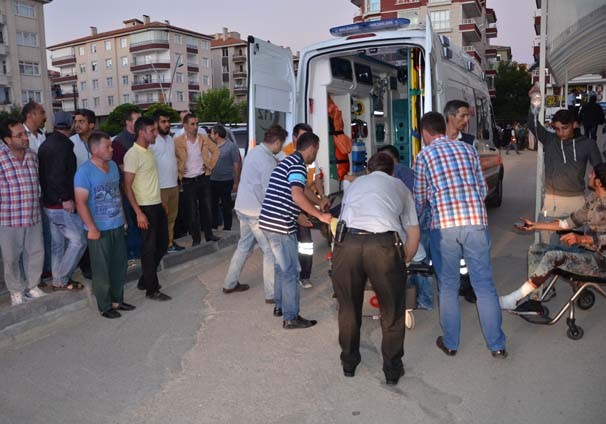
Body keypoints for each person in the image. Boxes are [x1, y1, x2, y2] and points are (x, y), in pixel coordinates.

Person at [414, 112, 507, 358]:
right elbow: (482, 189)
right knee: (484, 285)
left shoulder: (423, 156)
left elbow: (420, 198)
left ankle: (451, 343)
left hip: (444, 227)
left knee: (448, 286)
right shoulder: (467, 150)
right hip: (476, 222)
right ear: (443, 128)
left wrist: (418, 221)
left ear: (425, 133)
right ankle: (497, 345)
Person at [332, 152, 419, 385]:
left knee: (348, 307)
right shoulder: (400, 186)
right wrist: (405, 260)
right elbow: (413, 231)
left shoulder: (356, 184)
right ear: (392, 171)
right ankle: (392, 370)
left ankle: (349, 364)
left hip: (347, 243)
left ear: (368, 170)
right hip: (383, 246)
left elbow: (342, 218)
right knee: (392, 311)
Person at [500, 164, 606, 310]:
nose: (589, 176)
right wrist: (534, 225)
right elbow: (568, 223)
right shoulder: (593, 199)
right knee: (536, 249)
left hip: (601, 261)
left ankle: (515, 299)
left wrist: (582, 239)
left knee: (553, 256)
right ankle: (534, 302)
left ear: (599, 182)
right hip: (586, 252)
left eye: (592, 174)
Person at [259, 131, 332, 329]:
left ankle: (280, 307)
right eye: (317, 149)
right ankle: (291, 317)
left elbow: (302, 189)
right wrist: (320, 216)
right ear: (312, 147)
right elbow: (297, 196)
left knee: (280, 267)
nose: (316, 153)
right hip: (280, 224)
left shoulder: (289, 161)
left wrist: (318, 203)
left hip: (268, 222)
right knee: (291, 271)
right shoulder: (298, 165)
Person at [222, 125, 288, 300]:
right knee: (270, 251)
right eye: (281, 144)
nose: (281, 148)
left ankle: (229, 283)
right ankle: (271, 294)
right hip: (256, 213)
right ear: (277, 142)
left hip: (242, 207)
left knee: (243, 247)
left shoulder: (254, 152)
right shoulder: (267, 161)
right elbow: (267, 192)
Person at [528, 85, 602, 238]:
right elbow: (532, 124)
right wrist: (535, 99)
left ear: (575, 125)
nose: (560, 133)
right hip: (551, 201)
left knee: (575, 245)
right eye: (557, 128)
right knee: (548, 245)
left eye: (565, 128)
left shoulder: (588, 144)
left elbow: (600, 171)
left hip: (578, 202)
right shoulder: (550, 139)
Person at [74, 132, 135, 318]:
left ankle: (117, 300)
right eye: (107, 146)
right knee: (101, 269)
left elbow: (117, 194)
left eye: (111, 145)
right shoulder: (84, 172)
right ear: (94, 150)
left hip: (117, 224)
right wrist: (91, 227)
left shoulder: (114, 166)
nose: (111, 149)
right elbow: (80, 203)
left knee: (119, 265)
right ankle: (105, 306)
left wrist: (124, 219)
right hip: (98, 229)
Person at [378, 144, 433, 310]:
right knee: (417, 258)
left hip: (417, 215)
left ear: (391, 159)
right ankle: (416, 298)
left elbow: (410, 199)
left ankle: (422, 299)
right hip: (417, 215)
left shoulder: (397, 171)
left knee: (419, 258)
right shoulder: (403, 171)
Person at [123, 117, 171, 301]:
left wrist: (160, 200)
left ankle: (145, 279)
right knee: (149, 249)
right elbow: (127, 186)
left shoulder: (148, 151)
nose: (155, 134)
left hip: (156, 204)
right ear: (141, 132)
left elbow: (150, 179)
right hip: (144, 207)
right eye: (152, 131)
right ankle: (152, 289)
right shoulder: (132, 154)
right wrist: (138, 213)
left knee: (163, 244)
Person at [39, 111, 87, 291]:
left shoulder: (46, 143)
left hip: (49, 202)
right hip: (61, 203)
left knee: (58, 244)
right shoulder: (63, 145)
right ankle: (61, 278)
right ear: (70, 124)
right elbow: (58, 175)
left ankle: (57, 279)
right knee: (78, 241)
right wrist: (66, 198)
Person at [0, 118, 45, 305]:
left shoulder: (32, 156)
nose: (25, 137)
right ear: (7, 140)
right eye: (19, 135)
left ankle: (32, 286)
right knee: (10, 258)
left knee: (35, 253)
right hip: (8, 218)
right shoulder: (1, 158)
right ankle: (16, 291)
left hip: (33, 215)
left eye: (25, 133)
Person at [289, 123, 331, 289]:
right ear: (295, 138)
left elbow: (314, 181)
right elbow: (296, 192)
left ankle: (304, 275)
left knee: (305, 243)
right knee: (287, 244)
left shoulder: (310, 157)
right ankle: (289, 279)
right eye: (302, 136)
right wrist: (317, 213)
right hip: (291, 205)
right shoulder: (287, 156)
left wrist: (321, 199)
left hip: (304, 202)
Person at [174, 114, 220, 245]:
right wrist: (179, 170)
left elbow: (216, 151)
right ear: (185, 126)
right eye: (192, 124)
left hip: (202, 177)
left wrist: (210, 165)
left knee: (206, 208)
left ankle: (209, 235)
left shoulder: (203, 138)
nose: (195, 127)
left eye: (196, 124)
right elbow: (173, 158)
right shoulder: (177, 141)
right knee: (192, 211)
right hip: (188, 180)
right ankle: (196, 239)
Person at [150, 109, 183, 253]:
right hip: (160, 187)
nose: (167, 124)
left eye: (168, 121)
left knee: (171, 218)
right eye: (163, 121)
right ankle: (161, 246)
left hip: (173, 185)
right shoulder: (151, 141)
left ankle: (169, 243)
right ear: (155, 123)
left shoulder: (170, 139)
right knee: (161, 219)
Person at [112, 107, 143, 260]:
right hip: (128, 189)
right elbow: (123, 168)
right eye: (137, 120)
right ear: (128, 122)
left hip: (142, 188)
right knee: (131, 221)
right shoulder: (119, 142)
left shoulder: (141, 137)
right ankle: (133, 253)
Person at [209, 124, 241, 231]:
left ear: (217, 134)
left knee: (226, 204)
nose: (210, 135)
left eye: (212, 133)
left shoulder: (231, 146)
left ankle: (227, 227)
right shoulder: (211, 146)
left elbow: (236, 165)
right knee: (213, 204)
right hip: (212, 180)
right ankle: (214, 225)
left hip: (226, 180)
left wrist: (236, 182)